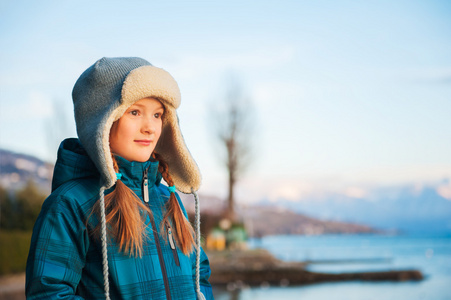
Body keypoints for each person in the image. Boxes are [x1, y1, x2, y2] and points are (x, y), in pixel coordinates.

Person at [25, 57, 213, 300]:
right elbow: (48, 294)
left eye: (157, 115)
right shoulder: (70, 204)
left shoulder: (169, 198)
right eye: (135, 112)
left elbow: (201, 276)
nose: (150, 127)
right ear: (101, 121)